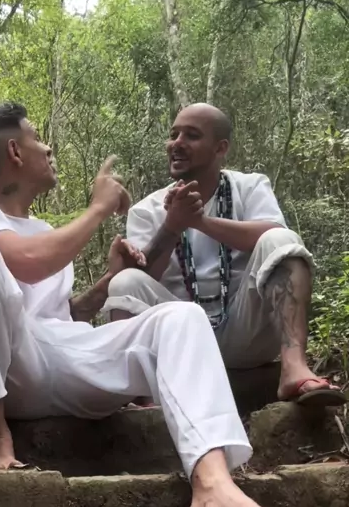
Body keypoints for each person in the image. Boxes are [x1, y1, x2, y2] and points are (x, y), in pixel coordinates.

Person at [0, 101, 324, 507]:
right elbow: (26, 263)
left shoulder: (43, 230)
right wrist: (98, 208)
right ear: (14, 152)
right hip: (2, 373)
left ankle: (214, 489)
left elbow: (61, 315)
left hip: (55, 362)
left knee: (179, 317)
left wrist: (107, 282)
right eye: (37, 138)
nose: (48, 147)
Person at [104, 102, 345, 408]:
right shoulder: (146, 210)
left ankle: (294, 368)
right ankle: (142, 396)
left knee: (281, 239)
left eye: (191, 135)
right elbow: (144, 276)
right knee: (125, 281)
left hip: (247, 332)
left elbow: (273, 234)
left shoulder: (250, 186)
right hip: (183, 339)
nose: (176, 143)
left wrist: (200, 222)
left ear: (220, 148)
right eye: (173, 134)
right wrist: (172, 226)